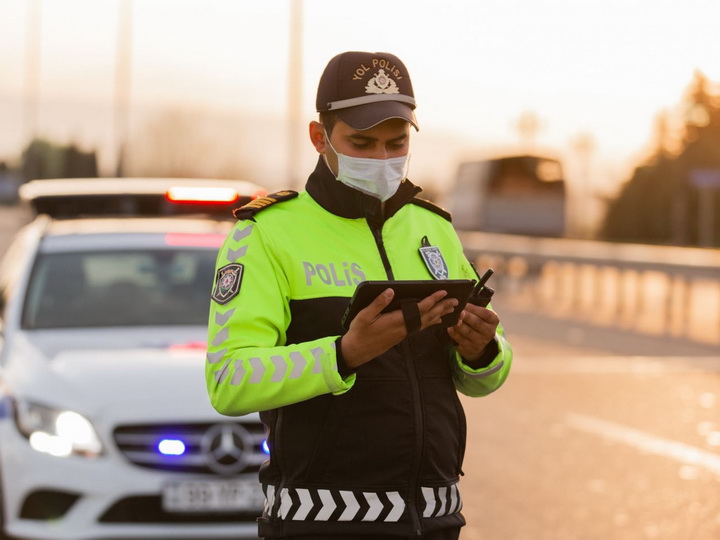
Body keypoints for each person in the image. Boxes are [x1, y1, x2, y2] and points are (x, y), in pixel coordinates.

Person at [206, 51, 512, 540]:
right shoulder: (266, 234)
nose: (382, 159)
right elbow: (230, 381)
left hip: (435, 520)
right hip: (321, 523)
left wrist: (482, 350)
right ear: (319, 137)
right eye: (362, 143)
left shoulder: (433, 229)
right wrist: (344, 354)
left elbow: (484, 379)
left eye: (396, 143)